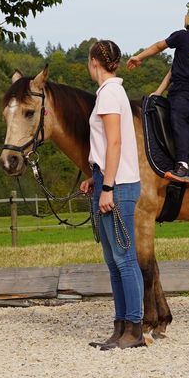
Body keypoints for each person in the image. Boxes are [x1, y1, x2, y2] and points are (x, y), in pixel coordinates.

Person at [76, 40, 147, 350]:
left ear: (94, 62)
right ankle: (121, 326)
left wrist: (107, 186)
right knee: (114, 260)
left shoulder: (108, 94)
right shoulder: (111, 93)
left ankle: (135, 328)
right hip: (109, 179)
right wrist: (96, 177)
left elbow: (114, 142)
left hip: (117, 186)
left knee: (124, 258)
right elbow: (108, 146)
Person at [126, 0, 189, 182]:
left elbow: (158, 46)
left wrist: (139, 57)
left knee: (177, 117)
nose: (185, 16)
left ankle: (183, 165)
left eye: (188, 13)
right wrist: (159, 92)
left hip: (182, 94)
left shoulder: (182, 36)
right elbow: (175, 70)